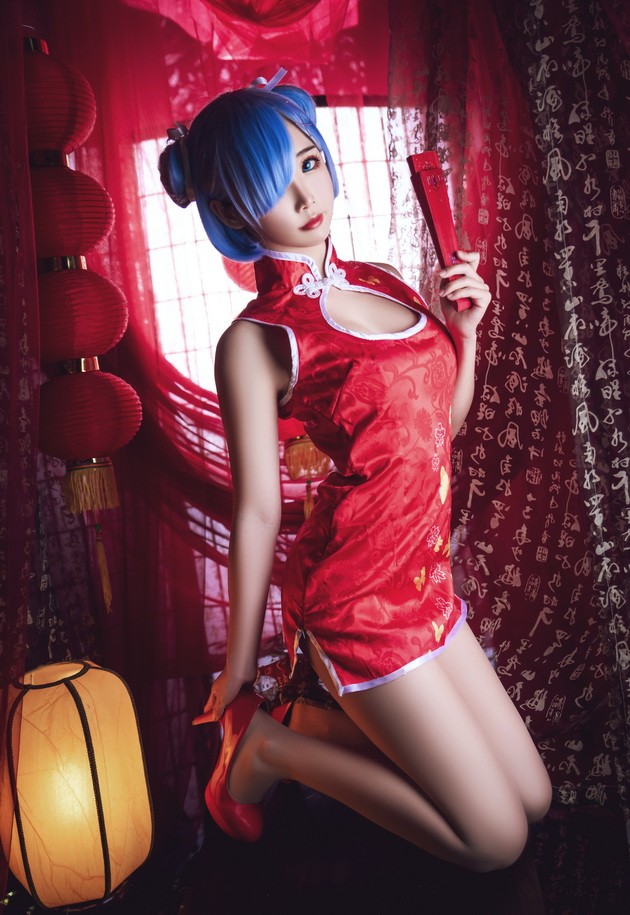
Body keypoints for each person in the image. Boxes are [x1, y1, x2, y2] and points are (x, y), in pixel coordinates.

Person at [159, 72, 551, 870]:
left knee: (535, 798)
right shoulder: (258, 338)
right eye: (274, 184)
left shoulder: (381, 279)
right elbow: (257, 512)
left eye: (309, 162)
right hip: (355, 602)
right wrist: (239, 671)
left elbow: (437, 431)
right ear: (233, 210)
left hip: (424, 583)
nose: (306, 195)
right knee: (496, 840)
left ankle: (307, 723)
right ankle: (267, 746)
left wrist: (465, 334)